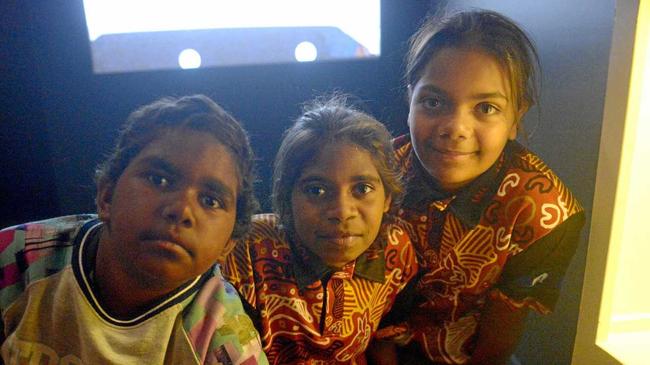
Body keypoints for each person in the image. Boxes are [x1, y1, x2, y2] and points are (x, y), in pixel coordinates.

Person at [371, 10, 586, 365]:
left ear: (516, 116)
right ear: (410, 100)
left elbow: (495, 347)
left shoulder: (544, 214)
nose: (455, 127)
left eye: (485, 107)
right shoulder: (375, 174)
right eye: (434, 102)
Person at [0, 95, 268, 364]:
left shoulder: (224, 334)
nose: (182, 209)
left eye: (210, 200)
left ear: (228, 244)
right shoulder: (17, 256)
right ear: (106, 196)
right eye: (159, 179)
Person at [222, 96, 418, 364]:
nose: (341, 211)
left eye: (362, 189)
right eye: (316, 190)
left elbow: (383, 339)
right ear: (286, 198)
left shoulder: (395, 253)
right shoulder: (245, 250)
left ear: (386, 199)